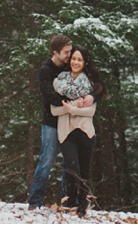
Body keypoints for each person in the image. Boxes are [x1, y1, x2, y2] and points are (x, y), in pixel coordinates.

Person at [27, 35, 95, 210]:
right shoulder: (46, 71)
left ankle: (69, 201)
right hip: (52, 122)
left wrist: (92, 97)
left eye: (70, 52)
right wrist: (74, 103)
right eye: (66, 53)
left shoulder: (70, 65)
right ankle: (35, 202)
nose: (69, 56)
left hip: (70, 122)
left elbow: (96, 85)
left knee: (71, 164)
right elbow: (49, 96)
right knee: (47, 160)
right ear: (55, 53)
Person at [51, 45, 109, 217]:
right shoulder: (58, 82)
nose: (76, 62)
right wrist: (74, 107)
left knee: (85, 170)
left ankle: (83, 207)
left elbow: (90, 111)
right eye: (74, 59)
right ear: (70, 61)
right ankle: (70, 203)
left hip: (85, 131)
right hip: (66, 131)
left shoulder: (91, 86)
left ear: (85, 63)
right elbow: (54, 110)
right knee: (72, 169)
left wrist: (71, 109)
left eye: (80, 60)